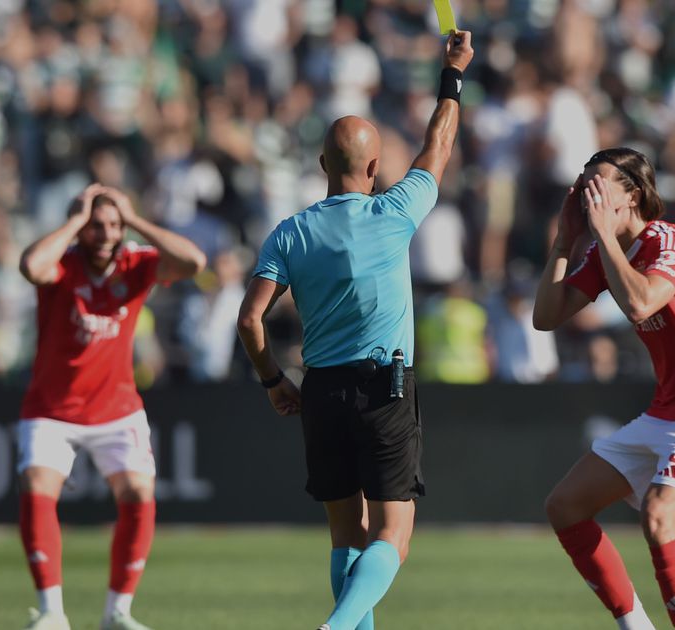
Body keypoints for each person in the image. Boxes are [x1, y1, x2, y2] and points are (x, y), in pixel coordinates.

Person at [235, 31, 473, 630]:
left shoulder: (289, 233)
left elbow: (249, 319)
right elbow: (438, 143)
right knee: (393, 533)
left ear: (321, 166)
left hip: (320, 391)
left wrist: (273, 381)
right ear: (374, 167)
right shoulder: (395, 213)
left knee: (347, 534)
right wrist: (453, 74)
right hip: (383, 389)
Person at [535, 147, 675, 630]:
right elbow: (546, 317)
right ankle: (635, 626)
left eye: (598, 185)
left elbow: (640, 304)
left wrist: (599, 239)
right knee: (565, 506)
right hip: (668, 411)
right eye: (582, 184)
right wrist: (563, 244)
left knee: (658, 517)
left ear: (632, 194)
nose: (585, 195)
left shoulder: (672, 240)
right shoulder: (600, 250)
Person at [16, 183, 207, 630]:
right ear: (81, 229)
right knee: (37, 486)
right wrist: (75, 219)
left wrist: (135, 218)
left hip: (116, 407)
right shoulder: (61, 266)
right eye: (96, 225)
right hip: (52, 408)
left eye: (113, 225)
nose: (105, 233)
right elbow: (30, 266)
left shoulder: (136, 264)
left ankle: (117, 612)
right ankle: (51, 612)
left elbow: (194, 262)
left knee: (140, 494)